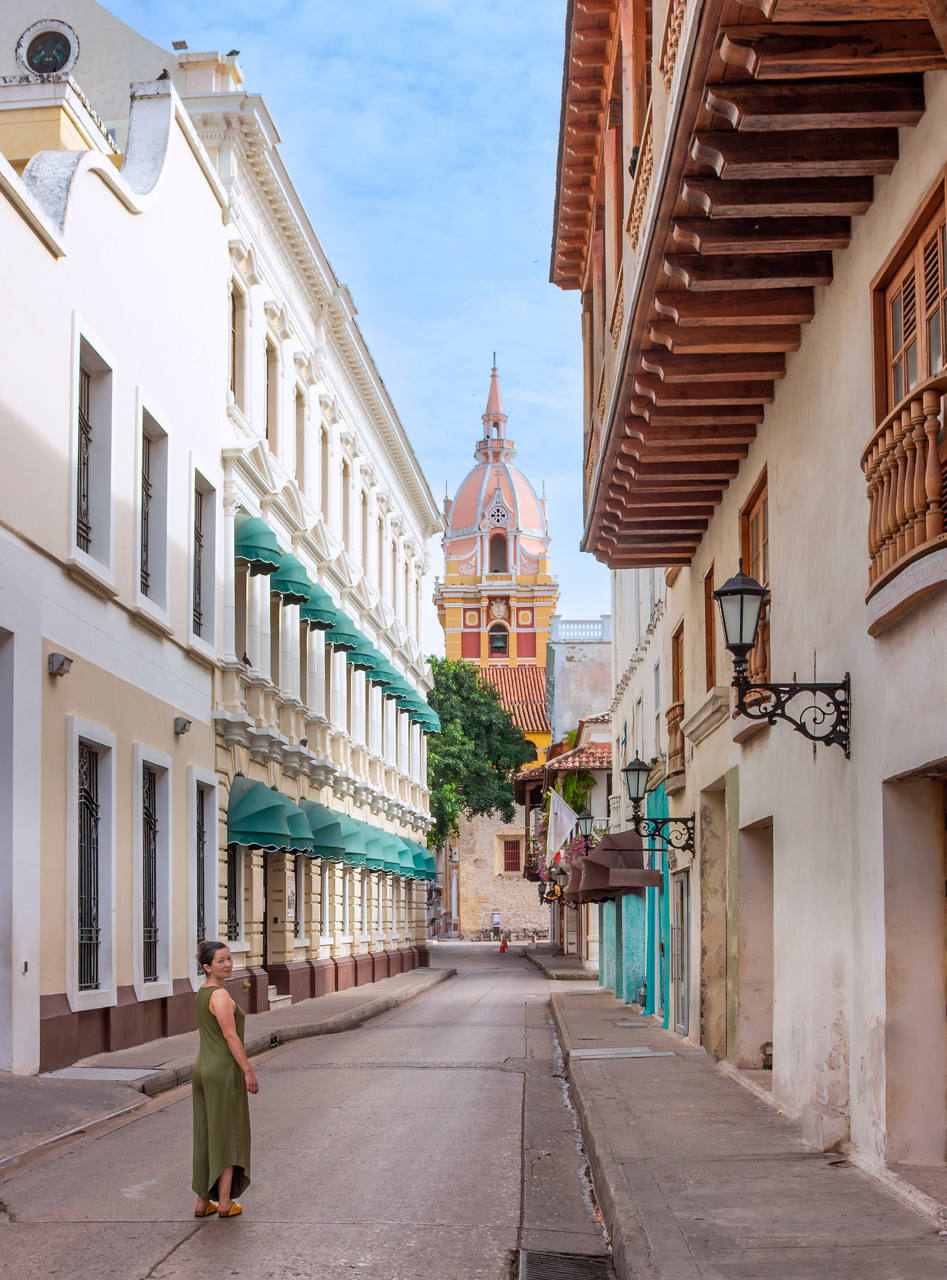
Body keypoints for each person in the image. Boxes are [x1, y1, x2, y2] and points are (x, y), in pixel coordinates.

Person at [192, 940, 258, 1219]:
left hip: (203, 1069)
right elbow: (230, 1037)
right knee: (229, 1135)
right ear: (207, 967)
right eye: (221, 961)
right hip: (222, 1071)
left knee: (207, 1134)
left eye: (229, 959)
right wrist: (247, 1070)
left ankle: (201, 1202)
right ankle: (223, 1203)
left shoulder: (202, 993)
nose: (228, 964)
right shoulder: (219, 996)